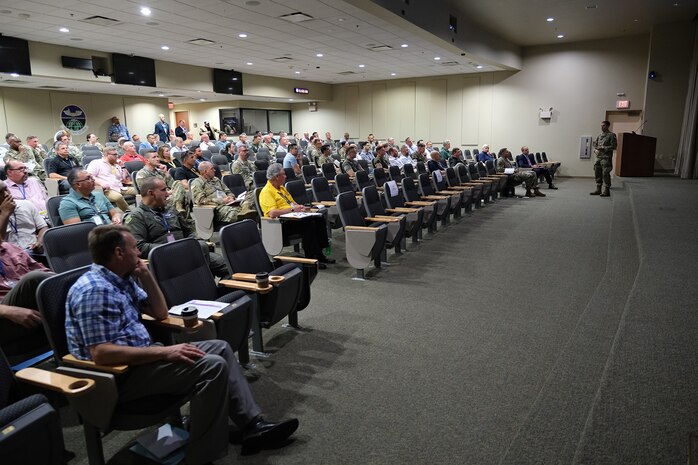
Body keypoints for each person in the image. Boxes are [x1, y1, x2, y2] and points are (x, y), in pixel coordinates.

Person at [65, 225, 299, 464]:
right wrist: (165, 352)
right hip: (118, 378)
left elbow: (159, 311)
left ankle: (252, 424)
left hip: (144, 358)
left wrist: (146, 276)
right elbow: (102, 353)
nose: (139, 252)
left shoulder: (123, 278)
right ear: (118, 253)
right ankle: (201, 456)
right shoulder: (94, 291)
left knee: (219, 347)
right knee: (213, 366)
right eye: (134, 248)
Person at [125, 178, 229, 278]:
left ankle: (218, 292)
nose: (168, 193)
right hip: (165, 259)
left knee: (229, 267)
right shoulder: (137, 216)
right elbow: (139, 247)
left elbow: (188, 231)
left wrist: (194, 241)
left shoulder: (170, 209)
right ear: (151, 193)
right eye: (163, 190)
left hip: (187, 252)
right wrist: (173, 248)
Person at [0, 189, 53, 360]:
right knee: (34, 279)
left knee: (46, 276)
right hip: (4, 314)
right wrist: (6, 310)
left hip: (29, 307)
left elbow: (47, 273)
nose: (7, 196)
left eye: (6, 190)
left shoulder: (10, 248)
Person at [259, 164, 334, 268]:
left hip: (293, 218)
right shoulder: (266, 191)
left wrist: (300, 207)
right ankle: (310, 258)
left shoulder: (281, 188)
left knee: (319, 219)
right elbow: (272, 213)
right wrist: (293, 209)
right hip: (280, 224)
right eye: (283, 175)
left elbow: (292, 204)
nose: (285, 176)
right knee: (310, 225)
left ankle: (320, 254)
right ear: (276, 176)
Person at [191, 162, 256, 223]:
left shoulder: (216, 179)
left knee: (252, 194)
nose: (214, 170)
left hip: (231, 202)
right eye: (212, 169)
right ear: (205, 171)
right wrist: (222, 201)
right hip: (218, 208)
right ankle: (244, 210)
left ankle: (245, 208)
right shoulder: (197, 183)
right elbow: (200, 200)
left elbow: (227, 191)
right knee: (237, 213)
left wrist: (231, 196)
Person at [0, 180, 47, 258]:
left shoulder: (26, 204)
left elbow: (42, 227)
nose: (6, 194)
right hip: (9, 256)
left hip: (34, 251)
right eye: (0, 193)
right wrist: (5, 214)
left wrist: (40, 242)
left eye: (6, 189)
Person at [86, 147, 136, 212]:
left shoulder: (116, 165)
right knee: (118, 197)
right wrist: (101, 183)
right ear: (107, 155)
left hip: (120, 188)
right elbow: (90, 175)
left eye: (117, 154)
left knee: (141, 190)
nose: (117, 156)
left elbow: (125, 179)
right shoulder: (96, 163)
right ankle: (130, 213)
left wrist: (122, 166)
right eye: (114, 155)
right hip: (107, 190)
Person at [591, 120, 617, 197]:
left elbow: (614, 146)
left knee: (605, 173)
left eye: (604, 125)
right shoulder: (599, 135)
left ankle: (606, 190)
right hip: (598, 157)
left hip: (606, 158)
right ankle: (598, 189)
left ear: (608, 126)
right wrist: (595, 149)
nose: (602, 127)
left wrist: (603, 148)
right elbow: (595, 144)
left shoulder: (611, 135)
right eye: (601, 125)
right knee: (597, 172)